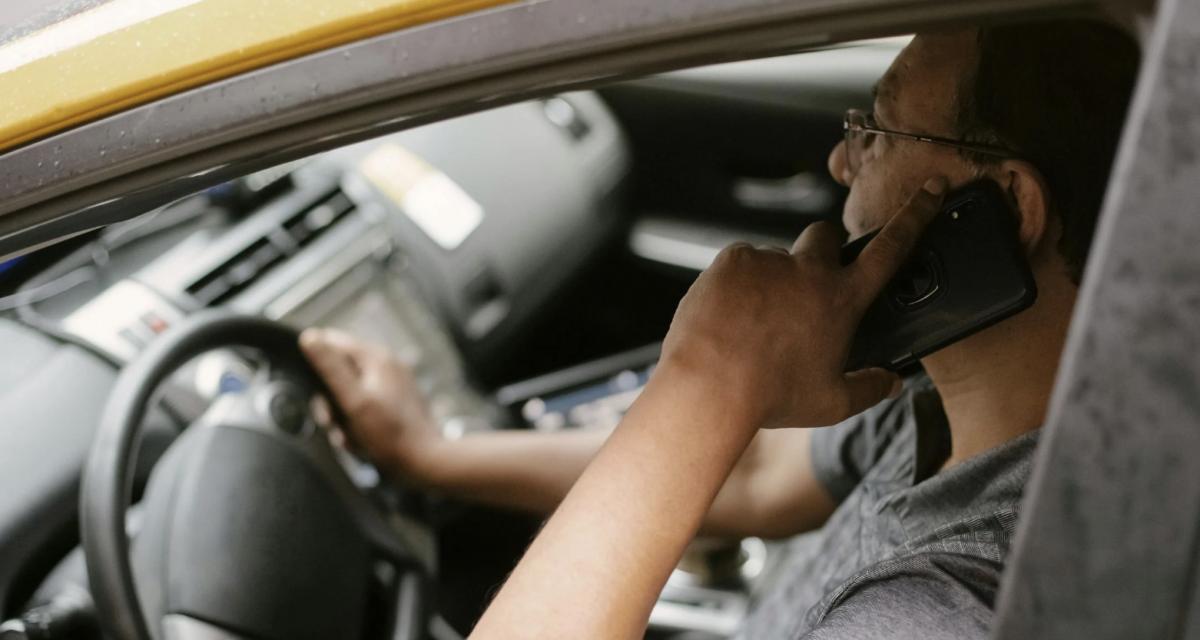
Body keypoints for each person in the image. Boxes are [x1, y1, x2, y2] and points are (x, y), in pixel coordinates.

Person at [300, 20, 1139, 639]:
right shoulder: (941, 398)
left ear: (1010, 206)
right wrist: (433, 455)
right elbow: (757, 479)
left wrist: (708, 372)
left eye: (878, 130)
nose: (842, 162)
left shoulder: (940, 609)